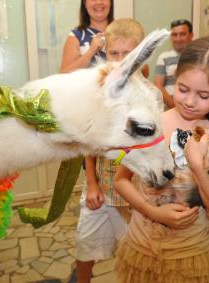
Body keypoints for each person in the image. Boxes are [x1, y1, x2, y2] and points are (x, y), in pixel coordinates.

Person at [114, 36, 209, 283]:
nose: (190, 102)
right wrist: (152, 212)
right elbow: (121, 181)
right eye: (182, 89)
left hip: (189, 255)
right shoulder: (150, 124)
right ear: (174, 80)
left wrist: (198, 167)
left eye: (203, 95)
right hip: (141, 246)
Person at [75, 18, 147, 283]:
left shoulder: (150, 95)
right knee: (86, 243)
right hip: (100, 189)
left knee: (134, 252)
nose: (119, 60)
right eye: (113, 53)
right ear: (105, 54)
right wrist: (92, 184)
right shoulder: (99, 94)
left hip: (134, 195)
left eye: (127, 54)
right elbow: (89, 144)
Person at [59, 0, 114, 73]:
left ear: (110, 2)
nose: (98, 2)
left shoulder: (123, 31)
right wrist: (91, 51)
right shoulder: (76, 36)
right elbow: (63, 75)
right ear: (85, 3)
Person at [154, 19, 193, 110]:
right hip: (169, 110)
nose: (178, 39)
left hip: (193, 110)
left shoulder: (198, 57)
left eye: (182, 34)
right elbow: (158, 86)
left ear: (191, 36)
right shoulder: (163, 57)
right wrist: (175, 108)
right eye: (174, 35)